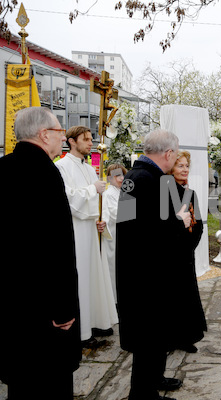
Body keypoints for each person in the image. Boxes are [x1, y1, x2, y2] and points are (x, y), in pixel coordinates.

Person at [0, 107, 81, 399]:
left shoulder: (3, 167)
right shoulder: (46, 173)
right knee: (49, 383)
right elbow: (55, 245)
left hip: (11, 302)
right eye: (60, 132)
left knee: (20, 382)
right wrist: (63, 308)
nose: (62, 138)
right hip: (43, 307)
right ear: (44, 134)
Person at [117, 129, 191, 400]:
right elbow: (159, 231)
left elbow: (127, 224)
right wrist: (180, 223)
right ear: (168, 153)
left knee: (149, 337)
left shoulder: (132, 177)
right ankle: (143, 394)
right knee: (150, 337)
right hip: (150, 274)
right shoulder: (155, 181)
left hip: (133, 267)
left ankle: (150, 383)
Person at [56, 125, 118, 345]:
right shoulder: (61, 167)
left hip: (91, 229)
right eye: (86, 139)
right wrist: (93, 189)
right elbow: (69, 199)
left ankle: (96, 321)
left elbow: (98, 203)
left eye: (92, 139)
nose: (91, 143)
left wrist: (100, 219)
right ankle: (82, 332)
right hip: (76, 231)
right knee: (82, 277)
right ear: (72, 141)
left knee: (94, 276)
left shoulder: (90, 168)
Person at [170, 151, 208, 353]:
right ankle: (169, 338)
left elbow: (198, 222)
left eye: (187, 166)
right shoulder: (165, 191)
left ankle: (186, 337)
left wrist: (191, 244)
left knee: (186, 295)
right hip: (169, 252)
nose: (185, 169)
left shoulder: (189, 193)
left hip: (186, 252)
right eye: (180, 166)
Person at [102, 163, 127, 299]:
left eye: (122, 175)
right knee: (114, 268)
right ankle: (114, 299)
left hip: (122, 234)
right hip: (114, 235)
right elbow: (116, 214)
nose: (121, 178)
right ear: (110, 179)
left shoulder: (122, 192)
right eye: (117, 176)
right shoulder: (109, 194)